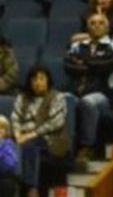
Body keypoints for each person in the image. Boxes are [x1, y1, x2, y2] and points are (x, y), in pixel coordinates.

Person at [64, 10, 113, 161]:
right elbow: (68, 65)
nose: (96, 26)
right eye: (92, 23)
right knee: (64, 99)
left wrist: (84, 62)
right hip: (76, 91)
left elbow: (109, 64)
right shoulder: (78, 45)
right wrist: (93, 64)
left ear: (107, 28)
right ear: (87, 27)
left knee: (88, 102)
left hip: (101, 94)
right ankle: (66, 148)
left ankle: (87, 147)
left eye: (101, 23)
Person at [12, 65, 69, 197]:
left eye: (41, 78)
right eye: (34, 79)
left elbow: (56, 122)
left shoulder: (57, 97)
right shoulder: (22, 98)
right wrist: (17, 134)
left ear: (47, 80)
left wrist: (33, 134)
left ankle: (31, 188)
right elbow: (15, 118)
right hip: (23, 137)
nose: (38, 83)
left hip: (49, 138)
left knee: (30, 145)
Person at [0, 115, 18, 197]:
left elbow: (10, 165)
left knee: (7, 182)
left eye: (2, 127)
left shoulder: (8, 144)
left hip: (4, 178)